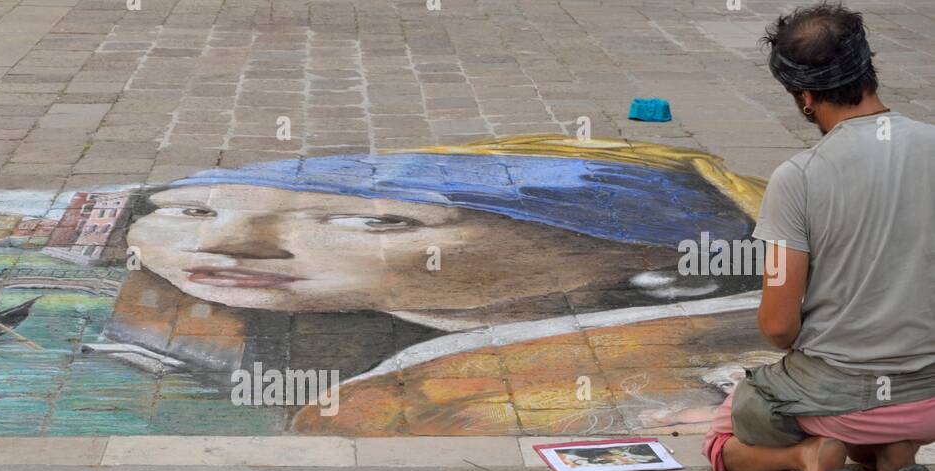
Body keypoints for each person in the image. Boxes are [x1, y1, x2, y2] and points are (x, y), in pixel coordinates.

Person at [109, 134, 769, 436]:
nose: (223, 244)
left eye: (373, 222)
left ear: (629, 249)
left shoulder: (440, 395)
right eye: (190, 210)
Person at [703, 3, 935, 471]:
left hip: (838, 394)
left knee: (729, 430)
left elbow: (780, 326)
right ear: (868, 66)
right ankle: (894, 459)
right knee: (879, 415)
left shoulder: (800, 178)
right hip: (928, 397)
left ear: (804, 97)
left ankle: (806, 458)